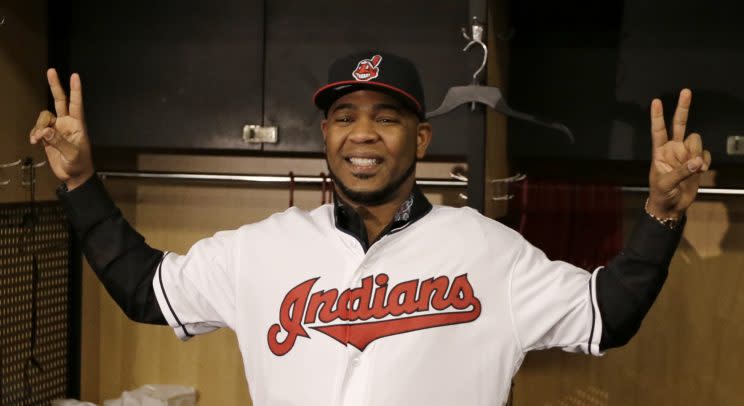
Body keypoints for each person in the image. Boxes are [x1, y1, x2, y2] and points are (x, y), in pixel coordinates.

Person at [30, 51, 710, 405]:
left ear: (419, 140)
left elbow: (606, 313)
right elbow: (144, 289)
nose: (363, 133)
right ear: (324, 134)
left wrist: (663, 214)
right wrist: (81, 181)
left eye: (386, 117)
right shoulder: (261, 248)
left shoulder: (487, 251)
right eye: (345, 114)